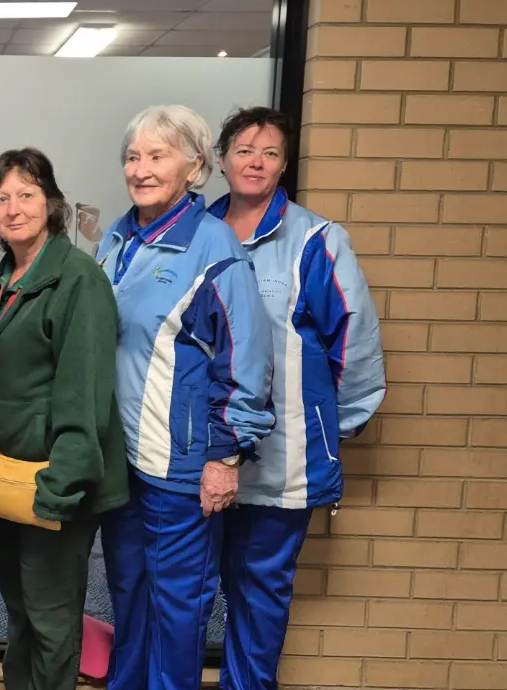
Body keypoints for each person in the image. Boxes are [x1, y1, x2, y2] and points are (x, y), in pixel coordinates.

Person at [96, 106, 275, 690]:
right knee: (129, 597)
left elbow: (246, 359)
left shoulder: (213, 246)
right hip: (120, 461)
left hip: (182, 465)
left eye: (157, 156)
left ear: (195, 167)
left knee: (178, 611)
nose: (140, 169)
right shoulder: (117, 237)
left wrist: (225, 459)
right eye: (132, 156)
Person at [208, 107, 385, 690]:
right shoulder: (197, 234)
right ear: (221, 159)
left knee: (258, 599)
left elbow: (353, 338)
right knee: (190, 590)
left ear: (285, 165)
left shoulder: (315, 240)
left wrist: (332, 426)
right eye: (244, 150)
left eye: (270, 153)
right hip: (200, 455)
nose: (255, 162)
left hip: (281, 460)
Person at [0, 149, 130, 690]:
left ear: (51, 202)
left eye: (26, 194)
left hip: (56, 484)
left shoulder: (77, 280)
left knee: (50, 620)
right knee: (18, 611)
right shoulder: (0, 281)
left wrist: (60, 489)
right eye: (1, 198)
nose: (13, 208)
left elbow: (82, 393)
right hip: (12, 482)